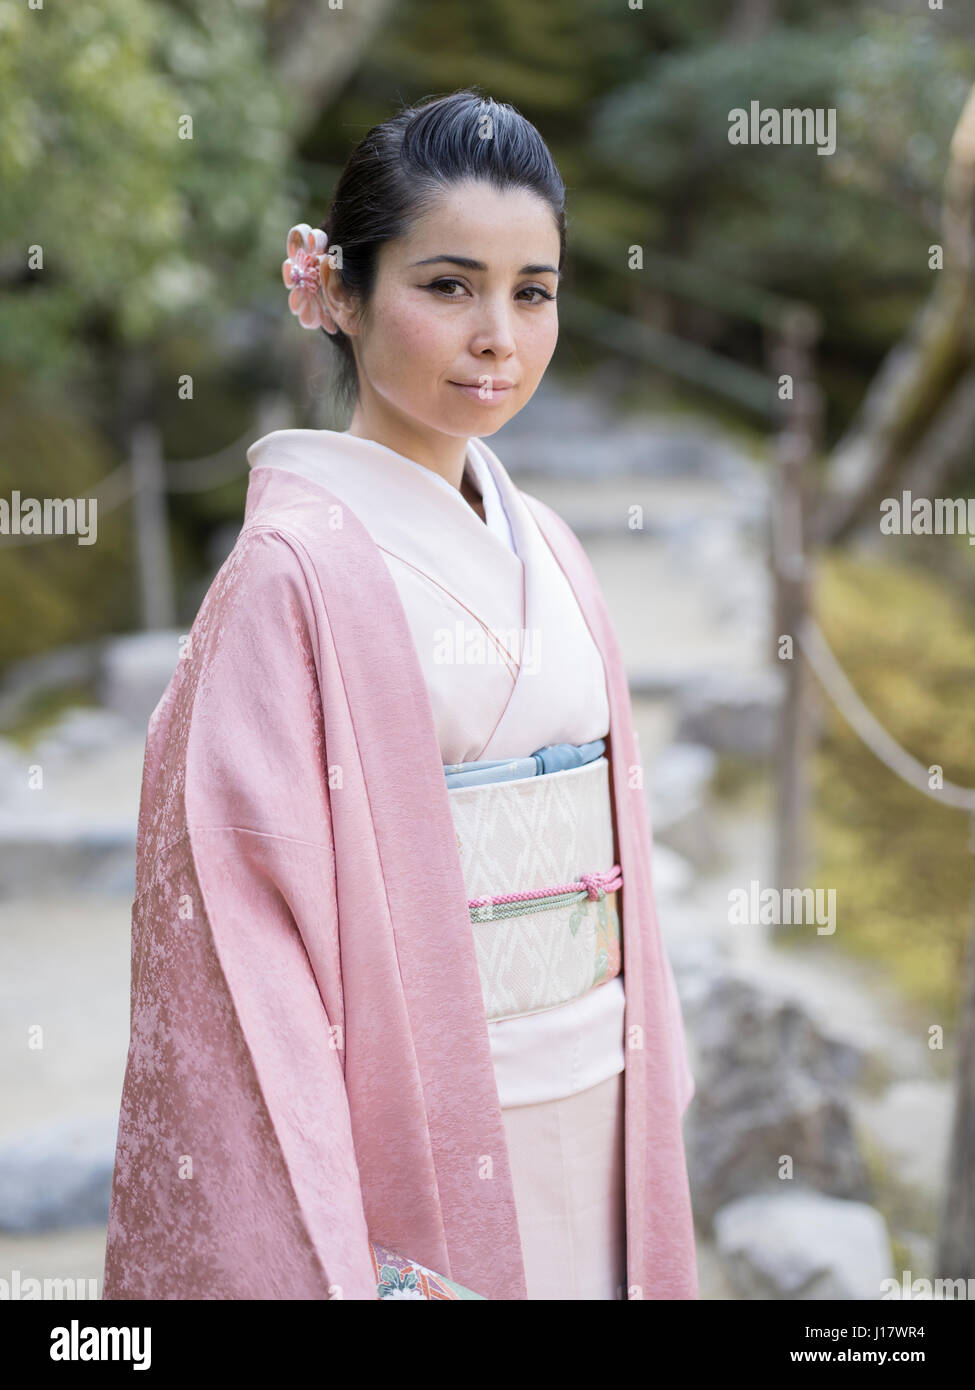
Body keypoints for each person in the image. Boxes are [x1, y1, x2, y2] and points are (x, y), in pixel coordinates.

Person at [103, 88, 698, 1301]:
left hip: (600, 1091)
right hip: (415, 1124)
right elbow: (239, 932)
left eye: (533, 292)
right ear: (339, 293)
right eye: (448, 286)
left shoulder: (554, 547)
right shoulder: (289, 573)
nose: (499, 336)